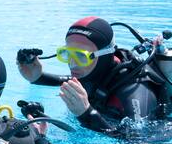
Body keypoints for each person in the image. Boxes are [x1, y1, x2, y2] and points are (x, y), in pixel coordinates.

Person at [17, 16, 168, 135]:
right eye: (67, 54)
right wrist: (36, 76)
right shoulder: (94, 71)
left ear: (103, 55)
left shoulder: (134, 93)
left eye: (80, 56)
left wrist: (86, 114)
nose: (72, 64)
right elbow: (67, 80)